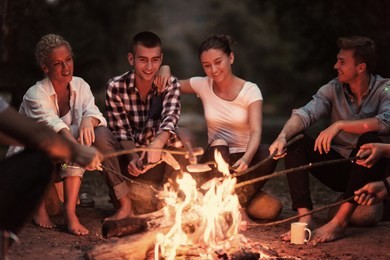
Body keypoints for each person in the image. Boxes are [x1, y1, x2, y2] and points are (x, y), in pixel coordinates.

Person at [269, 36, 390, 243]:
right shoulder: (333, 88)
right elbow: (305, 114)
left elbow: (386, 122)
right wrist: (282, 136)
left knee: (369, 139)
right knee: (296, 141)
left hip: (372, 169)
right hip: (340, 166)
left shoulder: (385, 89)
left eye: (342, 62)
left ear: (361, 67)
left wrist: (339, 125)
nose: (336, 66)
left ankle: (339, 223)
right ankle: (305, 219)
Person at [163, 34, 280, 221]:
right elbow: (170, 84)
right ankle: (237, 210)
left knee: (268, 154)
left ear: (231, 58)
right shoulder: (202, 84)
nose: (213, 70)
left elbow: (257, 131)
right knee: (220, 142)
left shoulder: (250, 90)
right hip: (216, 162)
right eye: (207, 65)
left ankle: (232, 202)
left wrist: (247, 158)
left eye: (218, 62)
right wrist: (165, 67)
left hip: (243, 163)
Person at [7, 34, 111, 236]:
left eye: (68, 60)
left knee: (83, 136)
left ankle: (70, 213)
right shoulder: (35, 94)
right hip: (32, 155)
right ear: (45, 68)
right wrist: (79, 151)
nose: (66, 68)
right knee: (58, 143)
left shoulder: (80, 85)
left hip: (60, 158)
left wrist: (89, 120)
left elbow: (94, 112)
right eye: (57, 64)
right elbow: (53, 127)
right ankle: (40, 209)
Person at [0, 95, 102, 257]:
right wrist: (75, 151)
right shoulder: (36, 93)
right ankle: (3, 240)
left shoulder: (80, 88)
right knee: (39, 162)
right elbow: (38, 135)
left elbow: (13, 134)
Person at [105, 31, 188, 215]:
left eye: (155, 60)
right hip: (129, 164)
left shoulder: (170, 83)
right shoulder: (116, 87)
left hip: (158, 163)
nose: (150, 67)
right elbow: (121, 131)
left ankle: (168, 200)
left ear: (161, 59)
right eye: (143, 60)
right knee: (102, 135)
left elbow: (170, 118)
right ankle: (125, 200)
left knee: (183, 135)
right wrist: (133, 157)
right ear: (131, 58)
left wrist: (157, 142)